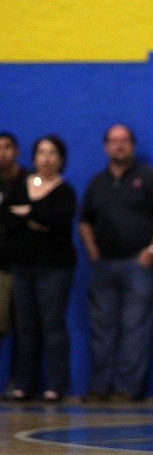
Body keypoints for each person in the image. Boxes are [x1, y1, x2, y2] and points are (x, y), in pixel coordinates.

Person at [78, 123, 153, 401]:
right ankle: (99, 387)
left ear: (131, 145)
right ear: (106, 146)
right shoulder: (97, 183)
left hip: (138, 266)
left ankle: (126, 389)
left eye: (124, 140)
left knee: (135, 329)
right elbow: (84, 221)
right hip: (103, 265)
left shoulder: (148, 177)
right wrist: (92, 249)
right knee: (101, 330)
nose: (119, 145)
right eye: (113, 140)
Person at [2, 135, 76, 401]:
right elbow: (7, 218)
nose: (46, 158)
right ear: (33, 157)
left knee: (53, 325)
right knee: (25, 327)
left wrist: (28, 214)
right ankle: (23, 383)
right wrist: (34, 219)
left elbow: (56, 221)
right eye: (41, 152)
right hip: (22, 267)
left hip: (54, 269)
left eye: (52, 152)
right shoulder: (21, 185)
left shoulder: (64, 191)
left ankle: (56, 385)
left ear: (61, 158)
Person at [0, 132, 26, 368]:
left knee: (24, 327)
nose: (2, 153)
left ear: (16, 151)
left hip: (24, 264)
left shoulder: (29, 181)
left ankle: (20, 382)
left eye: (7, 147)